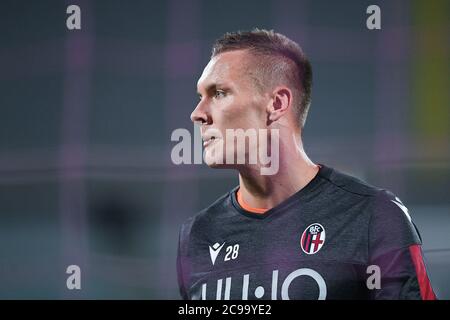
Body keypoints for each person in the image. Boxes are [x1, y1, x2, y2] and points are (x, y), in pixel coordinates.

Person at [177, 29, 437, 300]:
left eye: (218, 93)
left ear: (276, 104)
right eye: (199, 97)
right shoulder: (198, 234)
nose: (198, 114)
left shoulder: (374, 217)